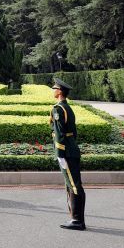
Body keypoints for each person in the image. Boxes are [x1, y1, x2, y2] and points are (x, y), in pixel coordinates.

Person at [51, 78, 85, 230]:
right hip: (71, 149)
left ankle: (77, 220)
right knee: (73, 184)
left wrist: (60, 153)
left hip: (66, 152)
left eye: (54, 88)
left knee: (74, 186)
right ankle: (76, 219)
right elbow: (73, 132)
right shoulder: (67, 107)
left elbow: (59, 133)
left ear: (59, 91)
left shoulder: (58, 109)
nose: (53, 90)